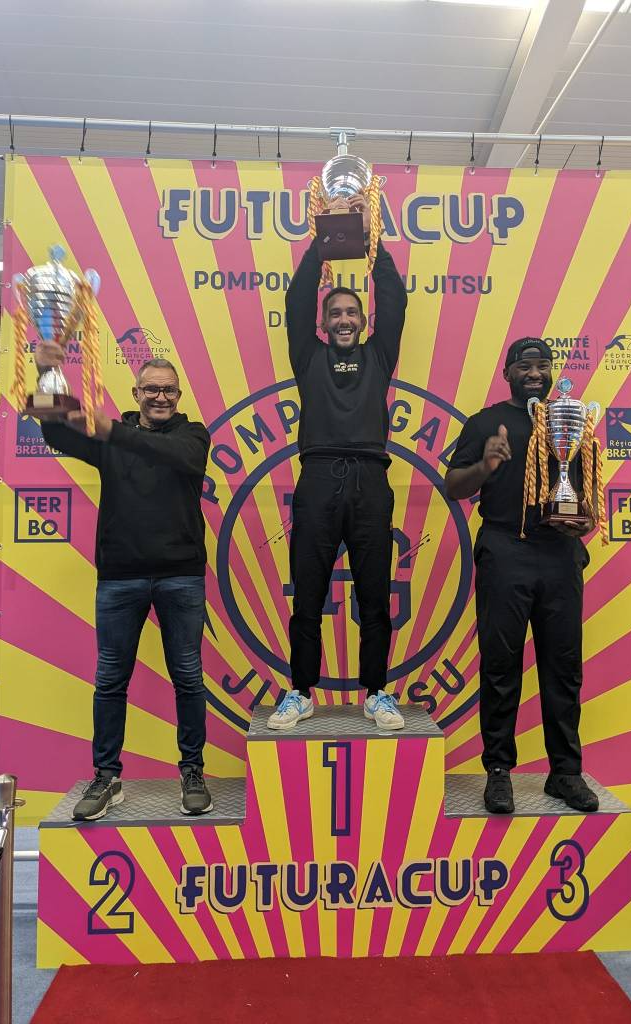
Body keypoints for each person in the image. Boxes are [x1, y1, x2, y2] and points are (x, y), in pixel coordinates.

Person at [35, 347, 213, 820]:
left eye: (168, 390)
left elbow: (178, 456)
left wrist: (113, 430)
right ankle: (106, 776)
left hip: (181, 575)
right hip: (120, 576)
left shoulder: (193, 434)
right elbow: (53, 430)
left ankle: (193, 771)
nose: (160, 397)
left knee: (188, 678)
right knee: (111, 681)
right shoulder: (111, 437)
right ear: (135, 393)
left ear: (179, 395)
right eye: (151, 389)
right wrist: (47, 371)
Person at [267, 194, 408, 731]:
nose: (344, 319)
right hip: (319, 478)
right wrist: (322, 242)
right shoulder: (308, 356)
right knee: (307, 594)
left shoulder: (379, 355)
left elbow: (393, 298)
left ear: (363, 320)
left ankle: (378, 693)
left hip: (371, 480)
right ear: (324, 323)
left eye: (352, 312)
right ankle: (300, 691)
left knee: (373, 595)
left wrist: (371, 241)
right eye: (336, 313)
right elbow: (297, 298)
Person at [444, 337, 599, 814]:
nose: (535, 372)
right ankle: (498, 771)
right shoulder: (485, 423)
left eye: (543, 365)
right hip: (505, 549)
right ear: (507, 373)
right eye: (524, 365)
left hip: (559, 555)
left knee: (564, 667)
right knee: (500, 666)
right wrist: (486, 464)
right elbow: (453, 487)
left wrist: (583, 522)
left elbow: (585, 491)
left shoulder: (569, 418)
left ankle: (565, 773)